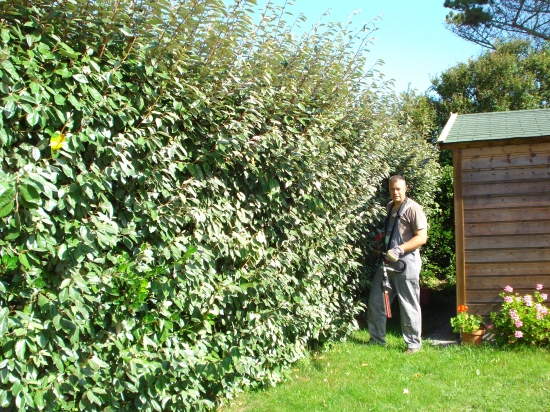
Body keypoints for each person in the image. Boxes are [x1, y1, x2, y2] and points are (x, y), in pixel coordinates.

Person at [367, 175, 428, 353]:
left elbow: (422, 238)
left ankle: (413, 345)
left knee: (408, 304)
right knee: (377, 301)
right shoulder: (390, 207)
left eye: (399, 189)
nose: (395, 192)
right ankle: (377, 340)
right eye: (392, 189)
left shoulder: (413, 209)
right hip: (387, 263)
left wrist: (399, 249)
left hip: (405, 263)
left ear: (405, 188)